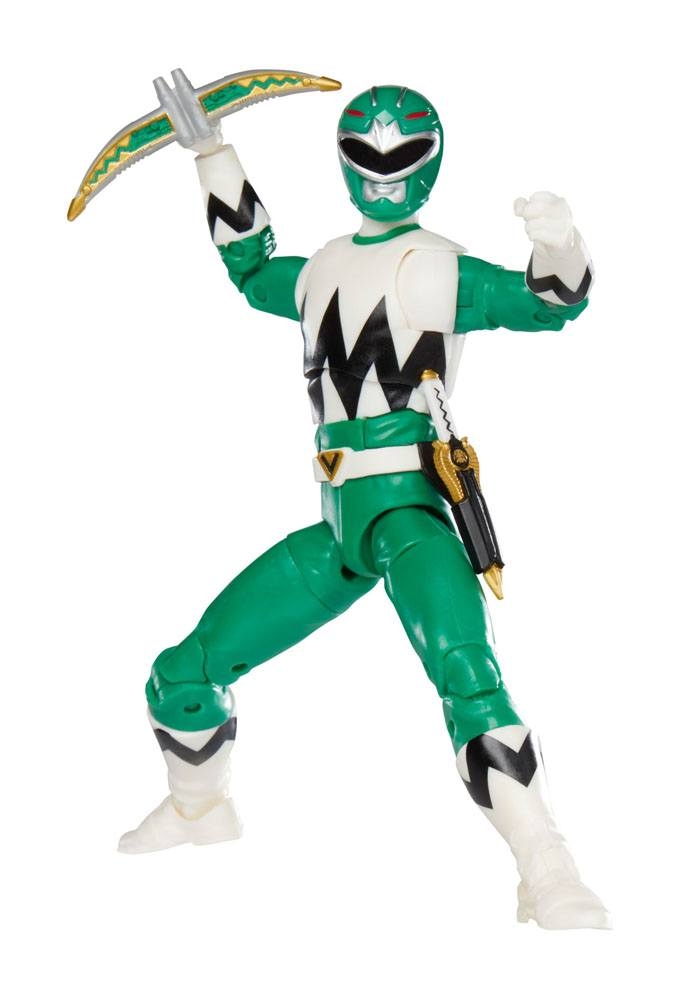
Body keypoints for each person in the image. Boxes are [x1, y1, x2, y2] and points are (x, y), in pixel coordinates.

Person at [118, 81, 609, 931]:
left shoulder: (441, 267)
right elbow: (252, 273)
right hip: (338, 525)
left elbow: (547, 304)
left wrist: (558, 242)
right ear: (344, 162)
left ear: (430, 162)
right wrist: (213, 155)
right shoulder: (321, 268)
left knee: (469, 677)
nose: (383, 170)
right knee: (182, 676)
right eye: (367, 155)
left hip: (407, 516)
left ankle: (547, 868)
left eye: (402, 155)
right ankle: (200, 808)